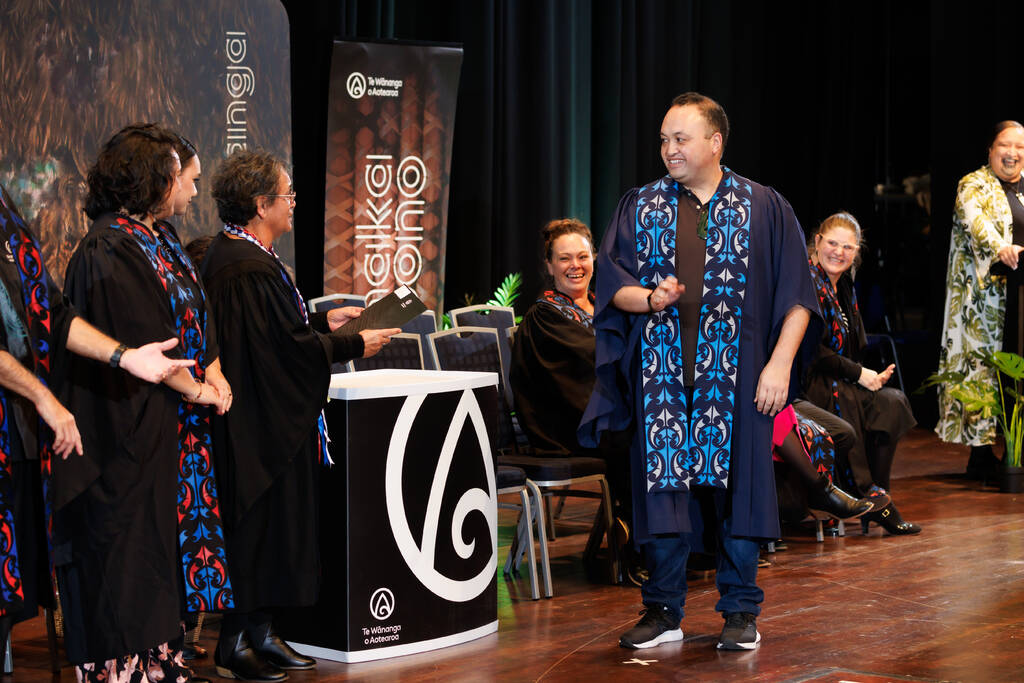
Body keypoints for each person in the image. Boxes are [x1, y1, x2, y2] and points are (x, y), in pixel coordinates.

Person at [579, 92, 818, 652]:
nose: (669, 149)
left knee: (740, 493)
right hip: (663, 377)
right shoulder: (640, 206)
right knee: (663, 492)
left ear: (716, 142)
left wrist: (779, 364)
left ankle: (739, 611)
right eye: (663, 139)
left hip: (739, 381)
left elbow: (797, 297)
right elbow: (615, 290)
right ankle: (663, 609)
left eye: (680, 138)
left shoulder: (765, 207)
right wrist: (652, 298)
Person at [201, 149, 397, 682]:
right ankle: (233, 640)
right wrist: (352, 343)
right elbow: (279, 349)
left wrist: (317, 315)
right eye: (286, 195)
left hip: (269, 420)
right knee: (259, 532)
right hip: (257, 425)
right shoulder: (241, 265)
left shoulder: (245, 256)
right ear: (261, 203)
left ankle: (263, 630)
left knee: (279, 532)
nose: (293, 203)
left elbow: (275, 325)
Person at [58, 123, 234, 682]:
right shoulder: (110, 246)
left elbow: (194, 324)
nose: (192, 191)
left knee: (163, 570)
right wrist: (200, 389)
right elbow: (148, 343)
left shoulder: (158, 239)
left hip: (169, 437)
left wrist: (215, 371)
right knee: (128, 569)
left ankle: (163, 666)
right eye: (186, 180)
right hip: (124, 440)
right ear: (156, 180)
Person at [0, 182, 196, 663]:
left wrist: (127, 358)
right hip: (19, 421)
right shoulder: (106, 244)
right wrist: (43, 397)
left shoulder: (7, 213)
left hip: (20, 440)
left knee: (7, 605)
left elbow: (56, 313)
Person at [509, 217, 637, 580]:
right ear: (549, 266)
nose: (575, 266)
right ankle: (639, 549)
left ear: (595, 258)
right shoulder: (545, 316)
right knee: (643, 436)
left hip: (601, 415)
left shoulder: (605, 306)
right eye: (564, 259)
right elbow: (587, 368)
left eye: (582, 256)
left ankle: (681, 544)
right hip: (567, 424)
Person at [804, 212, 920, 535]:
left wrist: (870, 377)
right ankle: (868, 494)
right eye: (832, 244)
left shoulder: (843, 287)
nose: (839, 253)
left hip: (840, 377)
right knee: (848, 395)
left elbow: (854, 346)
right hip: (812, 382)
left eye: (848, 247)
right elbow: (814, 351)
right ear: (817, 242)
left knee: (893, 402)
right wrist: (859, 374)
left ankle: (879, 498)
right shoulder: (807, 281)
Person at [936, 121, 1024, 479]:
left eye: (1020, 148)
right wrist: (1001, 248)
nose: (1013, 153)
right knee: (982, 369)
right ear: (990, 150)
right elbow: (977, 223)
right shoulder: (973, 184)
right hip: (982, 298)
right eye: (1005, 145)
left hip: (1019, 297)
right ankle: (982, 453)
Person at [771, 404, 872, 522]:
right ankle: (822, 491)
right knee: (770, 412)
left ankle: (818, 494)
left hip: (786, 399)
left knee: (844, 433)